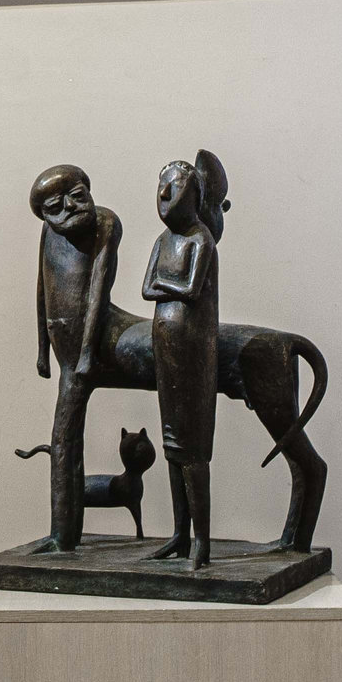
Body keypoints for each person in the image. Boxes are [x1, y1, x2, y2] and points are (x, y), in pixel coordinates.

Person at [28, 165, 124, 552]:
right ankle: (62, 536)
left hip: (87, 344)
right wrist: (41, 349)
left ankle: (62, 536)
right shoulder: (49, 233)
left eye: (78, 197)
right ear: (44, 214)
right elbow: (43, 288)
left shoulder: (105, 222)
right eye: (56, 207)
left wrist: (86, 352)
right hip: (65, 351)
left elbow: (99, 289)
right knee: (63, 438)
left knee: (63, 436)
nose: (70, 208)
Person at [143, 156, 222, 572]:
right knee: (172, 447)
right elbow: (146, 288)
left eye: (174, 187)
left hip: (192, 351)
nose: (164, 194)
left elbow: (190, 291)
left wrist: (164, 285)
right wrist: (165, 287)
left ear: (194, 196)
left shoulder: (200, 239)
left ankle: (201, 543)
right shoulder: (163, 240)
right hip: (165, 346)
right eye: (162, 186)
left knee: (192, 451)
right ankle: (179, 534)